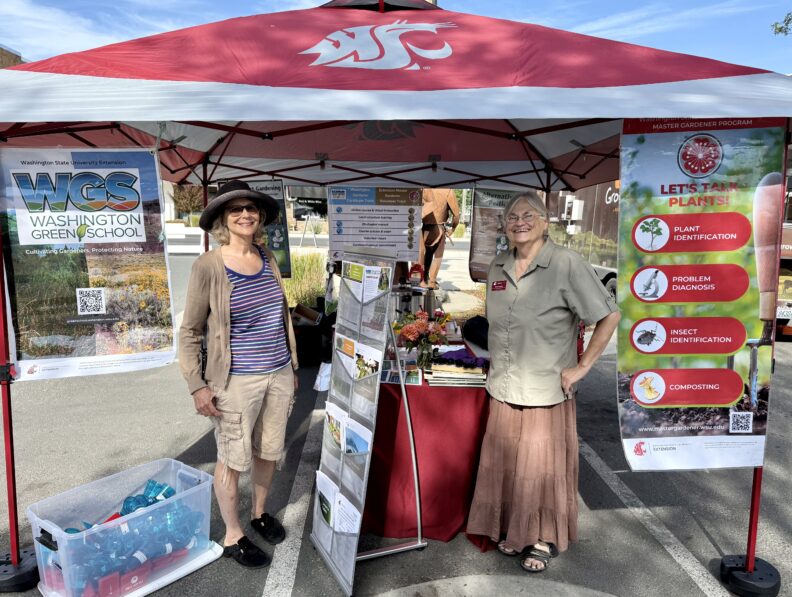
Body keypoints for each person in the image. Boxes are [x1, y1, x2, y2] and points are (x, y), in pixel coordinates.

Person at [466, 191, 619, 573]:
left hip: (545, 390)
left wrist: (582, 367)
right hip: (503, 386)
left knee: (539, 469)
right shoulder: (499, 265)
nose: (519, 221)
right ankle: (512, 530)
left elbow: (609, 316)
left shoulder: (566, 263)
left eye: (529, 214)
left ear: (545, 222)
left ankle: (540, 538)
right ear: (504, 224)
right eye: (512, 215)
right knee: (508, 463)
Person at [179, 180, 299, 568]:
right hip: (235, 381)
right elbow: (190, 330)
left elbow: (279, 316)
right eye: (236, 210)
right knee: (232, 458)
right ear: (222, 220)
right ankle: (233, 535)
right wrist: (197, 385)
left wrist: (291, 367)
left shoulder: (267, 255)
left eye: (251, 208)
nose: (246, 214)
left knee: (269, 449)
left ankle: (259, 512)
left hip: (278, 372)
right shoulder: (209, 265)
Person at [417, 188, 460, 289]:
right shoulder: (448, 190)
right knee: (438, 256)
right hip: (439, 228)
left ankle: (423, 278)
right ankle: (431, 281)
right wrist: (453, 228)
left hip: (425, 228)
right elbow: (456, 215)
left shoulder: (424, 188)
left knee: (425, 254)